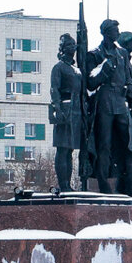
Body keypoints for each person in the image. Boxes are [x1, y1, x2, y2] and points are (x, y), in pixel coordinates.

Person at [85, 19, 132, 196]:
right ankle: (103, 184)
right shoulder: (94, 54)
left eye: (118, 30)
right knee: (104, 145)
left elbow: (128, 79)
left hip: (120, 102)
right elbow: (90, 83)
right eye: (114, 30)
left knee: (131, 144)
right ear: (106, 32)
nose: (117, 33)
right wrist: (103, 72)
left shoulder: (122, 53)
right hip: (104, 102)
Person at [49, 33, 83, 193]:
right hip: (65, 109)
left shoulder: (76, 69)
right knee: (62, 149)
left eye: (73, 47)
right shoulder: (59, 67)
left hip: (76, 111)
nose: (73, 50)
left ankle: (68, 184)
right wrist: (58, 108)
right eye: (69, 47)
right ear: (63, 49)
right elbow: (54, 88)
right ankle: (63, 184)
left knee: (69, 150)